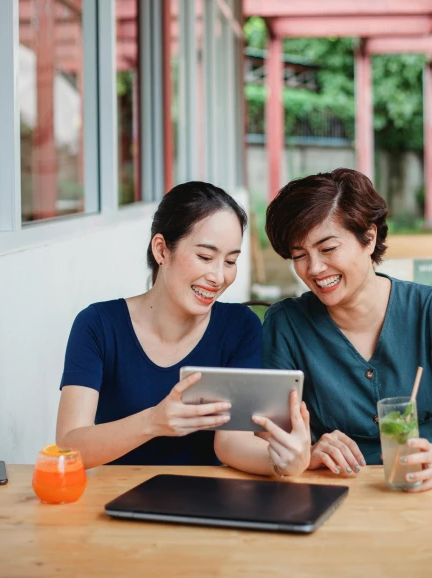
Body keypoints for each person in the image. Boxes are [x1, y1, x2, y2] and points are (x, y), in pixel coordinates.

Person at [262, 168, 432, 492]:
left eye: (328, 249)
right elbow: (264, 440)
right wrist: (308, 453)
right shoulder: (286, 324)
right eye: (299, 256)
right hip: (328, 495)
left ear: (369, 238)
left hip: (424, 492)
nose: (314, 269)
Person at [57, 181, 311, 477]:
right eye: (205, 257)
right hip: (113, 503)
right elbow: (68, 447)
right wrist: (153, 421)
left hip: (207, 502)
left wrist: (280, 460)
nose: (218, 276)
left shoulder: (240, 326)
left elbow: (231, 442)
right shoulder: (97, 325)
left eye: (230, 261)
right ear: (162, 250)